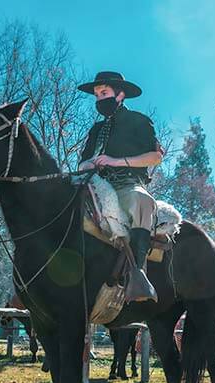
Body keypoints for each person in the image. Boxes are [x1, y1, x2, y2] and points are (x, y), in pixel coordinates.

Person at [78, 71, 163, 302]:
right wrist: (89, 163)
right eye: (96, 95)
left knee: (143, 201)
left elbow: (155, 157)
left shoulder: (139, 121)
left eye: (103, 93)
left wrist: (115, 161)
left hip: (126, 184)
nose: (99, 99)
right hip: (93, 183)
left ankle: (138, 274)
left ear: (120, 94)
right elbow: (82, 161)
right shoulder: (96, 130)